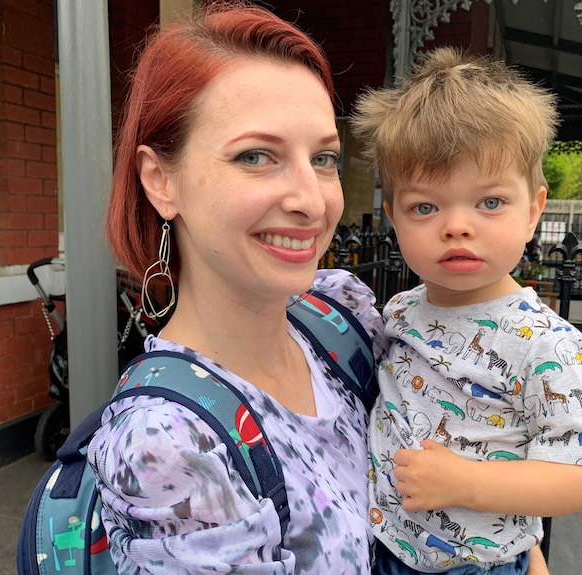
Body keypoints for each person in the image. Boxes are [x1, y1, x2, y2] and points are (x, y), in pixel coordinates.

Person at [88, 3, 386, 572]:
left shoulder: (340, 317)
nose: (312, 199)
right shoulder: (169, 447)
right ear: (161, 180)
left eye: (324, 158)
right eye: (256, 156)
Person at [351, 48, 582, 574]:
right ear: (393, 215)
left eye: (490, 202)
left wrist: (468, 485)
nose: (457, 225)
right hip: (385, 548)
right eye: (425, 207)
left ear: (534, 209)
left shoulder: (546, 344)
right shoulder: (401, 311)